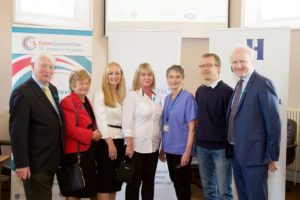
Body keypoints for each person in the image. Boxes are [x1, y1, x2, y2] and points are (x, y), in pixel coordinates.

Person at [227, 46, 281, 200]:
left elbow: (273, 122)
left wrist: (272, 155)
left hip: (255, 155)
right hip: (237, 152)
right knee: (243, 195)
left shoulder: (263, 83)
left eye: (242, 61)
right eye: (234, 62)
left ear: (252, 62)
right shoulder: (239, 84)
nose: (238, 65)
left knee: (256, 196)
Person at [9, 53, 65, 200]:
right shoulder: (22, 92)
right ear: (32, 66)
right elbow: (17, 132)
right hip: (35, 165)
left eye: (51, 67)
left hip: (51, 161)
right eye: (44, 66)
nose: (48, 70)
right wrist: (21, 164)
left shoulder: (52, 89)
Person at [195, 53, 233, 200]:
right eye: (202, 66)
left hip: (221, 149)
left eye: (208, 65)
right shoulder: (199, 90)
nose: (204, 69)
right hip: (202, 148)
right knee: (208, 189)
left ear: (218, 67)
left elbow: (231, 123)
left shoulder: (228, 91)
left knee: (224, 191)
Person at [122, 63, 162, 200]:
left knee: (149, 183)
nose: (147, 77)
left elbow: (158, 121)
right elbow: (127, 122)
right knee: (134, 184)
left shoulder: (156, 97)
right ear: (138, 77)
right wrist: (129, 144)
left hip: (153, 147)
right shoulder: (133, 95)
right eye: (143, 74)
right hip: (136, 147)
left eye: (149, 74)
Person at [61, 69, 102, 200]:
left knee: (89, 189)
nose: (84, 86)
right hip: (75, 153)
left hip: (88, 151)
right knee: (75, 189)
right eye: (80, 83)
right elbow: (69, 129)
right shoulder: (67, 101)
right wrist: (91, 135)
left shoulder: (87, 100)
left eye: (86, 83)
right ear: (72, 85)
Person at [159, 65, 197, 200]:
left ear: (182, 79)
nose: (174, 80)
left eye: (177, 77)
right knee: (175, 181)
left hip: (181, 149)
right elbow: (166, 125)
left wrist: (187, 152)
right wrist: (163, 147)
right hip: (169, 148)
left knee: (182, 184)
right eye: (171, 77)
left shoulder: (188, 98)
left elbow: (192, 128)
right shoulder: (167, 98)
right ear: (167, 79)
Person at [92, 62, 126, 200]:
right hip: (106, 143)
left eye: (117, 73)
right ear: (106, 76)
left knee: (115, 182)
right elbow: (101, 121)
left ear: (121, 76)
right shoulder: (100, 94)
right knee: (104, 182)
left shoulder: (123, 95)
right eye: (110, 73)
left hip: (121, 140)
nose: (114, 76)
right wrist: (110, 144)